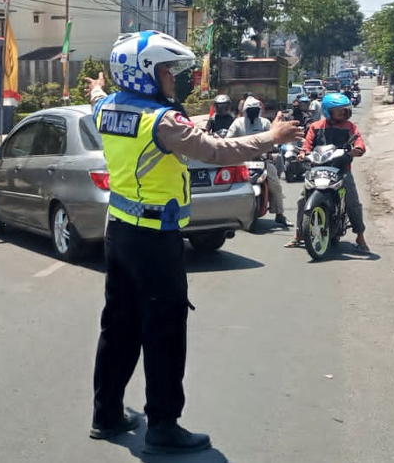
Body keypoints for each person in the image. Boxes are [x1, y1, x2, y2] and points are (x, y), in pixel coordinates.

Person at [83, 30, 302, 454]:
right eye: (166, 70)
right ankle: (163, 424)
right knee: (164, 330)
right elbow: (215, 151)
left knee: (118, 326)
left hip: (120, 233)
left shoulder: (107, 108)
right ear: (147, 74)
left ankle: (105, 414)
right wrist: (270, 139)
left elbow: (96, 98)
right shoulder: (162, 122)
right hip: (154, 241)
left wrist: (96, 87)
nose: (173, 79)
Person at [284, 93, 369, 252]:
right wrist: (303, 153)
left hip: (341, 170)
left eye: (345, 110)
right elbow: (307, 144)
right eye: (340, 111)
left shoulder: (350, 126)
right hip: (317, 169)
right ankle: (299, 234)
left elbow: (358, 140)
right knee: (302, 200)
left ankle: (360, 236)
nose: (344, 113)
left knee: (352, 201)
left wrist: (358, 149)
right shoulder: (316, 127)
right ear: (328, 111)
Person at [227, 96, 293, 227]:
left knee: (276, 185)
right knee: (227, 184)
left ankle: (279, 214)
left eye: (255, 109)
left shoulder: (265, 123)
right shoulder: (237, 123)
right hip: (242, 161)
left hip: (261, 160)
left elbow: (273, 139)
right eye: (250, 109)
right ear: (245, 110)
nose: (252, 112)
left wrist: (271, 150)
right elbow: (228, 140)